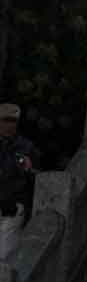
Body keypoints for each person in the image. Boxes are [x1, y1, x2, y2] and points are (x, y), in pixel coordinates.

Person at [0, 103, 39, 260]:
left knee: (5, 255)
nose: (10, 124)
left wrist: (29, 169)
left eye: (13, 121)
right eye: (6, 120)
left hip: (13, 206)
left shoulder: (26, 146)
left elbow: (38, 176)